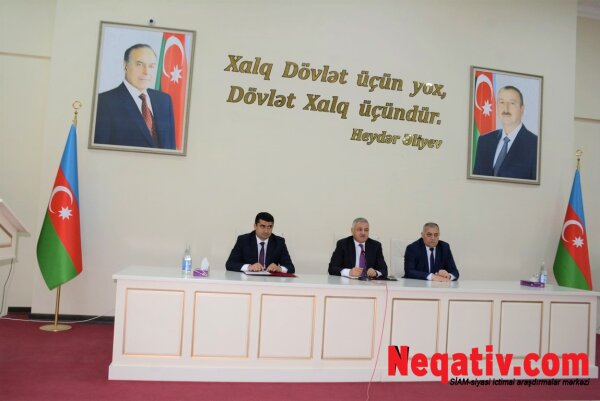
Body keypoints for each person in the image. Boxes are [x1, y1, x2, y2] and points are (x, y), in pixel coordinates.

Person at [94, 44, 176, 149]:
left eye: (151, 66)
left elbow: (171, 147)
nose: (146, 72)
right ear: (125, 66)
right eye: (139, 64)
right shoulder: (104, 102)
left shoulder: (164, 100)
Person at [473, 85, 537, 180]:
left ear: (522, 109)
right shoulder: (484, 141)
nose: (506, 109)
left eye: (512, 103)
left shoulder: (535, 144)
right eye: (502, 102)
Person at [226, 212, 295, 273]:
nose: (266, 231)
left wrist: (279, 268)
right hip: (248, 280)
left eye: (269, 227)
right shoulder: (243, 240)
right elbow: (230, 264)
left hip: (270, 281)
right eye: (262, 226)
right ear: (255, 226)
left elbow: (291, 267)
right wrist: (249, 267)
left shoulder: (279, 242)